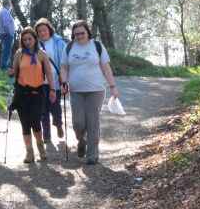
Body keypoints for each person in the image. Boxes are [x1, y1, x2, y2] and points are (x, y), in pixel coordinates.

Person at [60, 20, 119, 165]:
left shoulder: (97, 46)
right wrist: (64, 82)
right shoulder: (69, 47)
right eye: (76, 34)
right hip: (76, 90)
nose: (80, 36)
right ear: (73, 35)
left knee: (92, 122)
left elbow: (106, 67)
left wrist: (112, 86)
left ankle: (92, 154)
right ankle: (82, 141)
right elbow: (64, 67)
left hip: (96, 90)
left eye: (82, 33)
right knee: (78, 123)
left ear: (88, 32)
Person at [8, 27, 56, 163]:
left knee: (35, 121)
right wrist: (10, 72)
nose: (27, 42)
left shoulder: (42, 54)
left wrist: (52, 90)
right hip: (21, 93)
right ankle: (29, 152)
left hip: (37, 93)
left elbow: (49, 74)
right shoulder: (19, 54)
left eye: (30, 39)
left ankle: (40, 146)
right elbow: (14, 72)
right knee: (25, 123)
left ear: (35, 39)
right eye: (24, 40)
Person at [34, 18, 67, 143]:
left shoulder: (59, 43)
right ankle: (46, 135)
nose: (42, 33)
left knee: (55, 107)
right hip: (40, 82)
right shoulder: (35, 44)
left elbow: (65, 62)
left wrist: (65, 81)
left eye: (44, 30)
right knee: (43, 109)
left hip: (56, 81)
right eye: (39, 31)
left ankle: (58, 124)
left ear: (49, 30)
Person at [0, 0, 16, 70]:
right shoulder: (5, 12)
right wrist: (10, 33)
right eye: (10, 2)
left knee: (7, 51)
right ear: (8, 3)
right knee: (6, 51)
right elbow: (6, 24)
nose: (11, 4)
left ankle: (8, 66)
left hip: (5, 34)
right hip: (7, 34)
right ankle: (4, 67)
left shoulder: (4, 11)